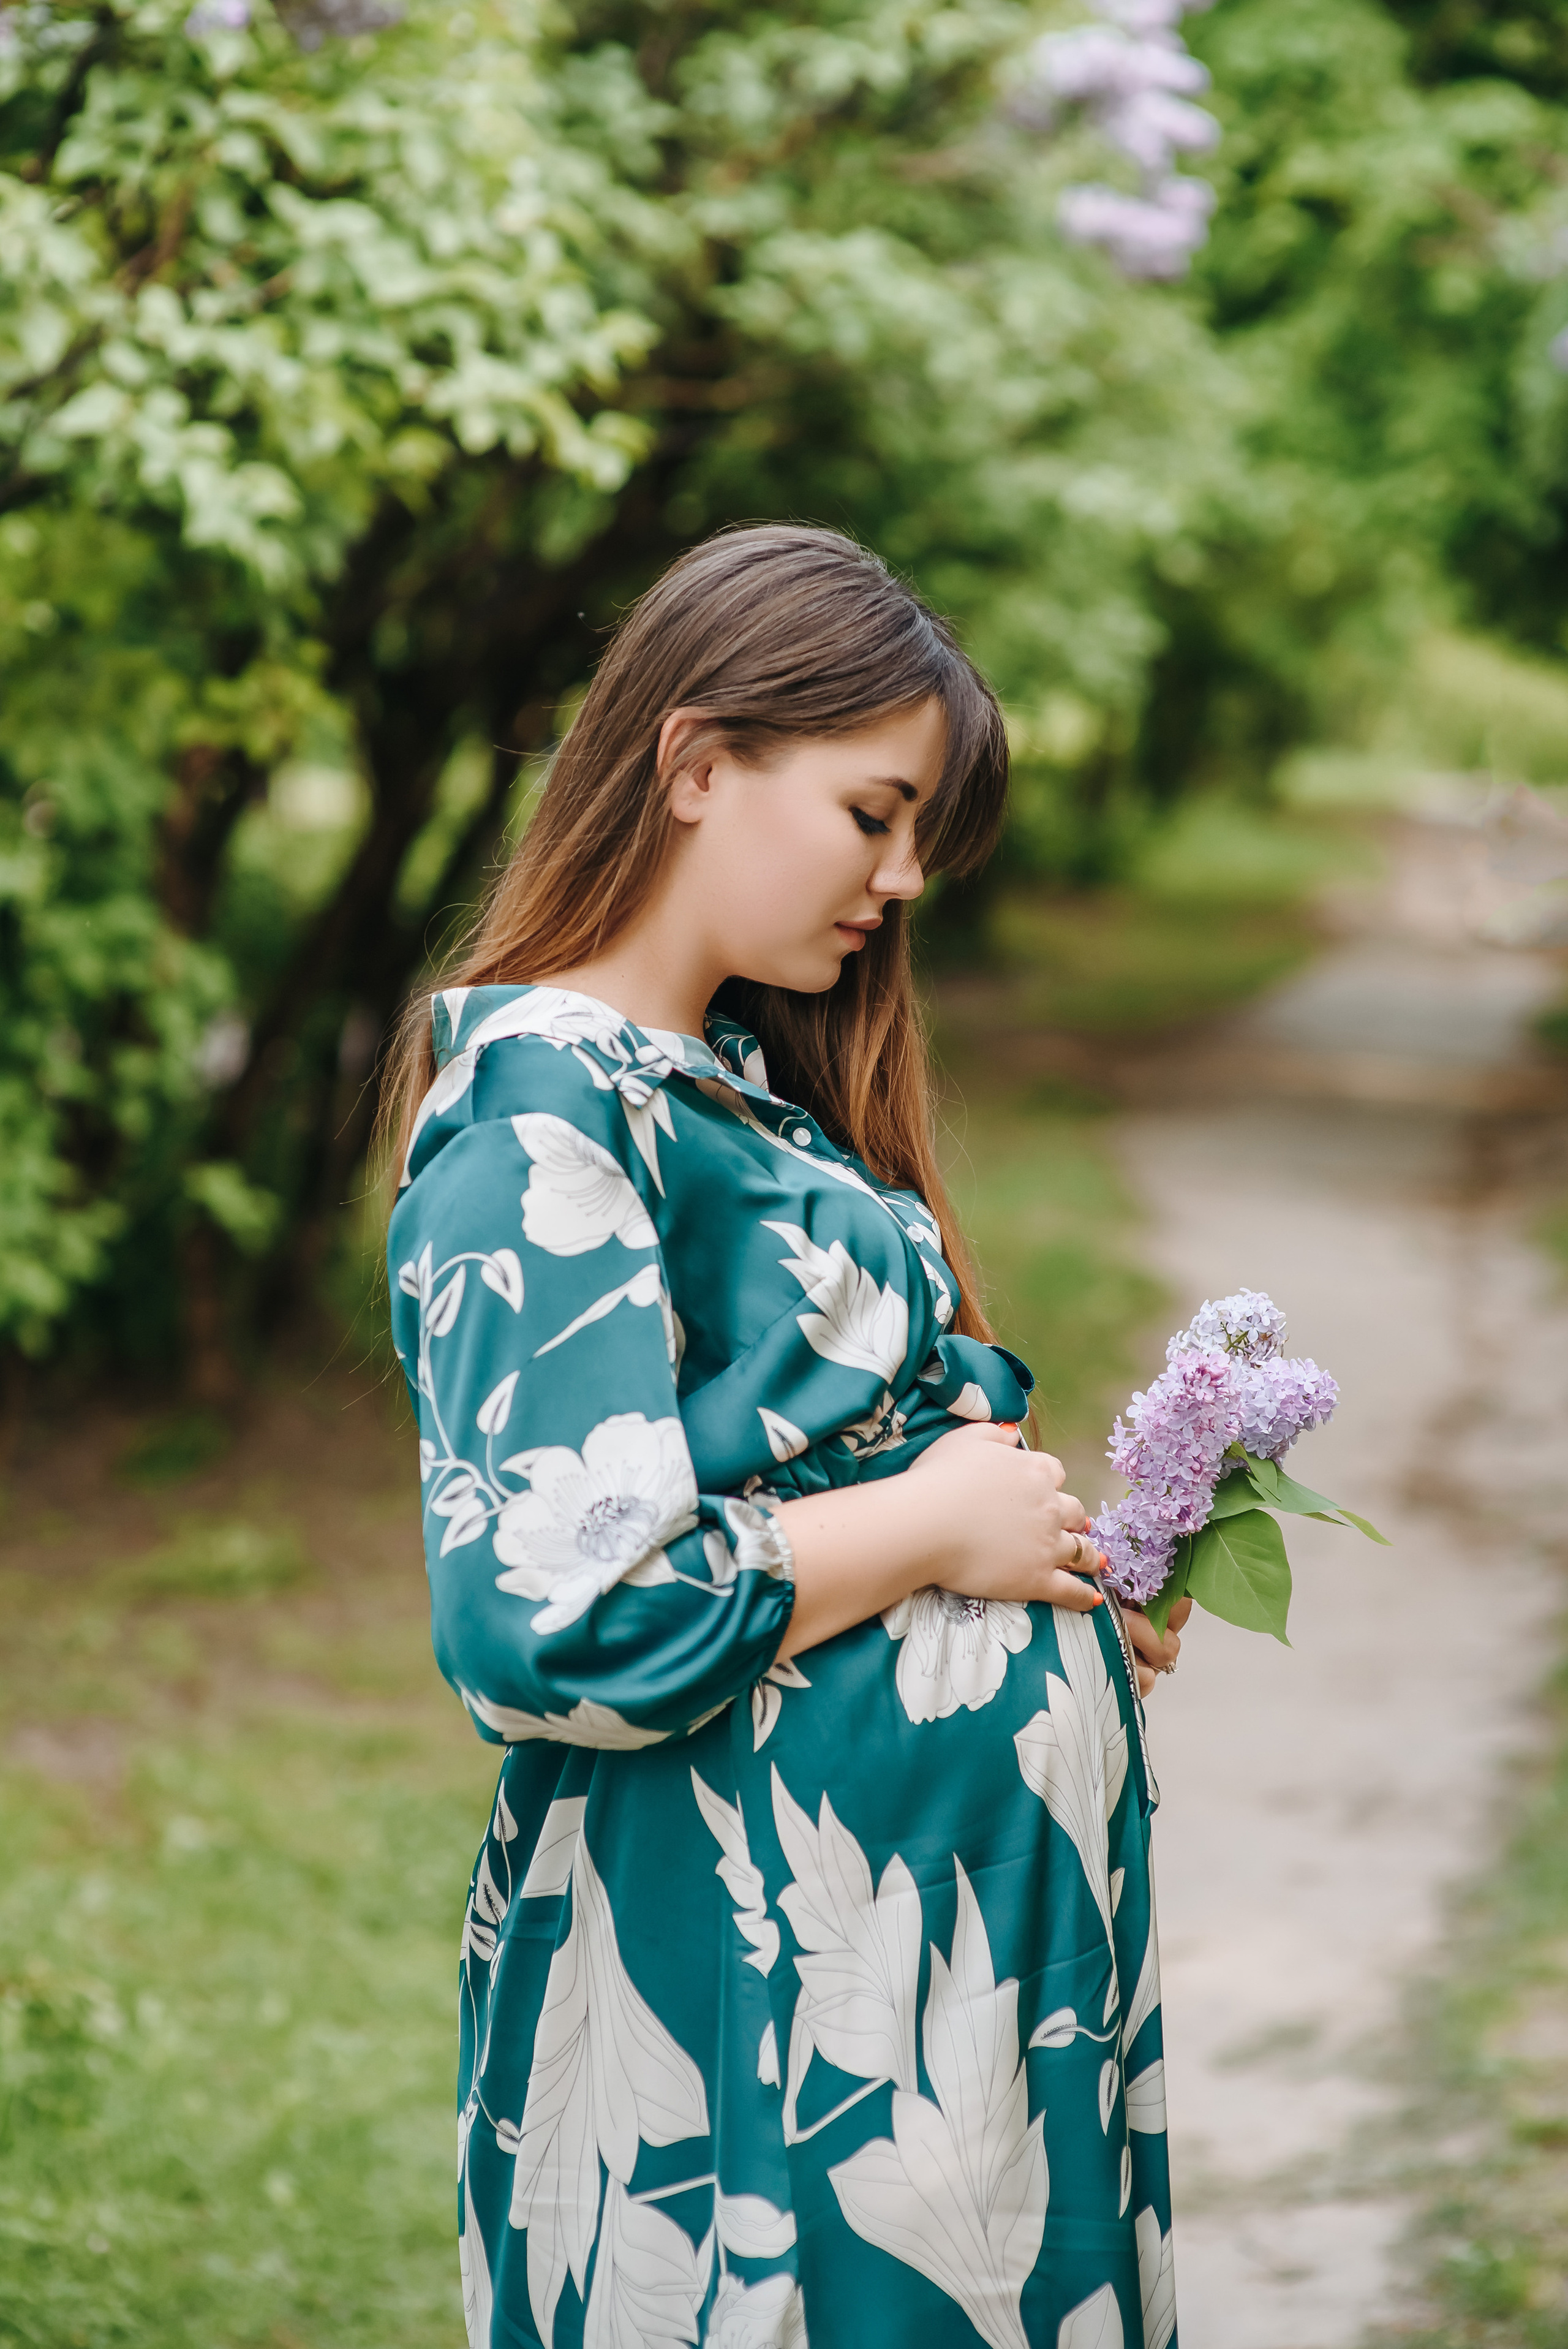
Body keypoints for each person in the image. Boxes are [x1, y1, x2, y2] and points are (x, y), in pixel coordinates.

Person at [383, 524, 1188, 2349]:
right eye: (872, 814)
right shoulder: (541, 1124)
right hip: (762, 2002)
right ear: (693, 764)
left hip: (938, 1991)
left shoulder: (736, 1090)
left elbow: (823, 1481)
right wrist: (924, 1540)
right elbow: (553, 1622)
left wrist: (1054, 1585)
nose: (903, 878)